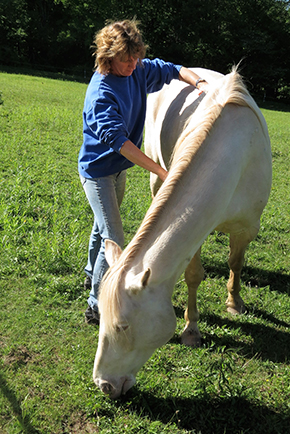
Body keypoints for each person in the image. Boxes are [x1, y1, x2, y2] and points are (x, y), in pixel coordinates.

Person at [78, 19, 209, 324]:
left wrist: (201, 83)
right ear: (108, 56)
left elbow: (173, 69)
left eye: (136, 57)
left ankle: (89, 274)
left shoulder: (136, 69)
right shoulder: (102, 94)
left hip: (117, 171)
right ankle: (96, 305)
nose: (133, 64)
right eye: (126, 59)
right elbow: (121, 143)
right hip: (98, 174)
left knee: (101, 227)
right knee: (113, 237)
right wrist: (163, 172)